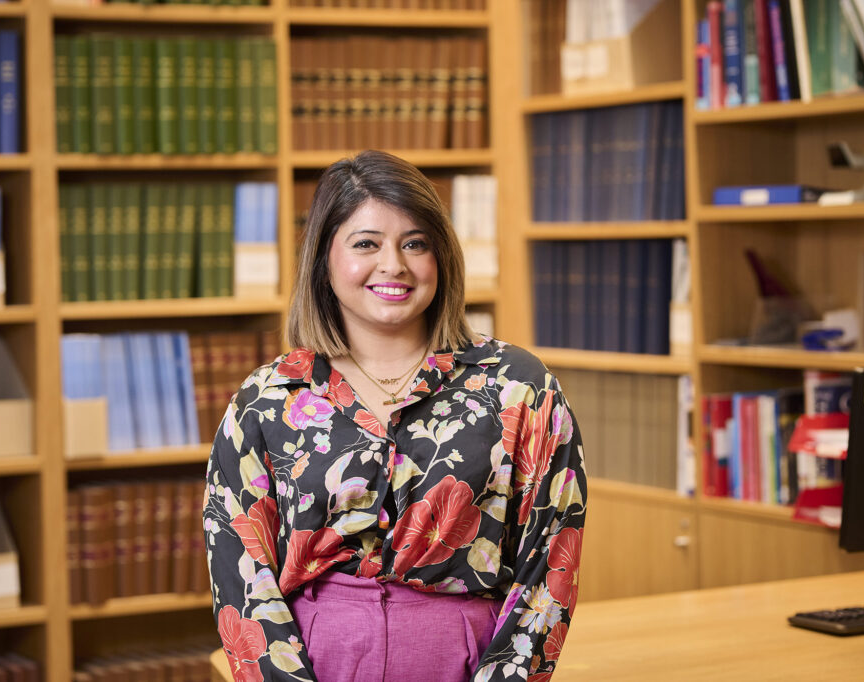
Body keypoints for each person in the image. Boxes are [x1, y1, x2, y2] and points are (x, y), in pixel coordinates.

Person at [203, 150, 586, 682]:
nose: (394, 265)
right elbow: (241, 573)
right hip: (316, 661)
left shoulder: (520, 386)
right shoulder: (268, 397)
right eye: (366, 243)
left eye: (415, 244)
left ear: (441, 257)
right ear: (324, 258)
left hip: (467, 659)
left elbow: (550, 564)